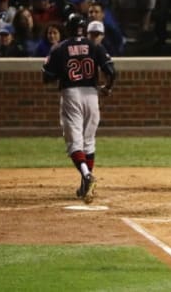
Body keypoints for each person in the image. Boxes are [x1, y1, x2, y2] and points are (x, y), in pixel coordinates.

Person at [42, 13, 116, 204]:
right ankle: (86, 183)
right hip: (92, 94)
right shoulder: (95, 46)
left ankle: (86, 175)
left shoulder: (60, 48)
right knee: (89, 140)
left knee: (74, 142)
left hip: (71, 94)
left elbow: (47, 77)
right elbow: (112, 71)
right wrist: (107, 88)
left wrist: (58, 70)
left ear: (68, 27)